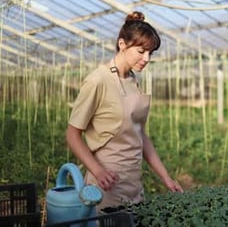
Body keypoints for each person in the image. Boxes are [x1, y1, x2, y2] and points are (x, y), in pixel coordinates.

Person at [65, 11, 183, 211]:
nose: (146, 58)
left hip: (133, 186)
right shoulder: (98, 80)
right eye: (141, 51)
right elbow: (72, 134)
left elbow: (140, 136)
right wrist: (99, 172)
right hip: (105, 188)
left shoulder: (133, 81)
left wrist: (166, 177)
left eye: (150, 53)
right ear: (122, 44)